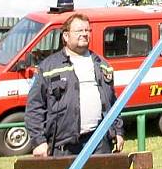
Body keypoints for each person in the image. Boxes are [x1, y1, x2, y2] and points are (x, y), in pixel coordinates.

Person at [25, 13, 125, 156]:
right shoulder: (48, 67)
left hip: (100, 144)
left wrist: (118, 131)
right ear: (66, 36)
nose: (84, 34)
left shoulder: (102, 65)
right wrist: (38, 141)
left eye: (87, 31)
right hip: (64, 147)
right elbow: (34, 107)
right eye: (79, 31)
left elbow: (113, 103)